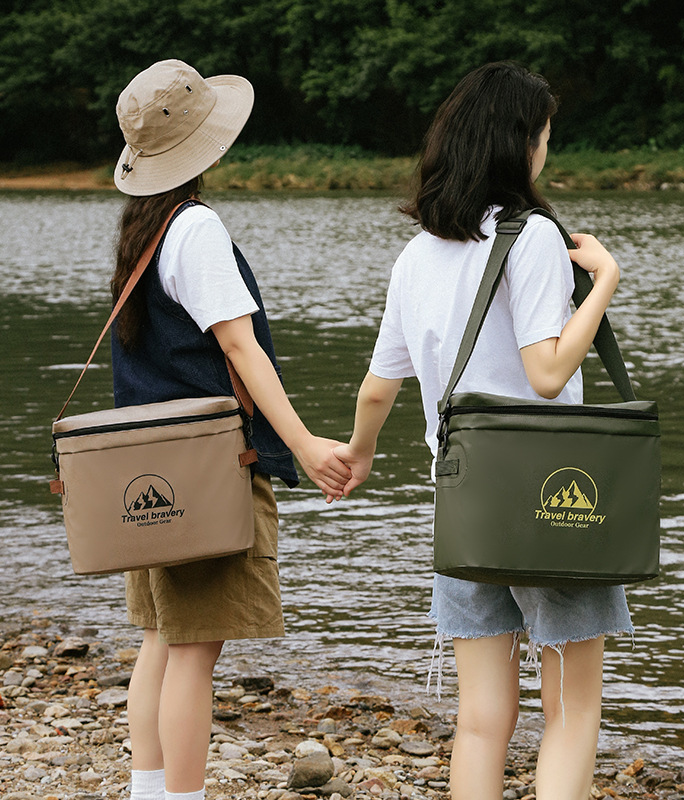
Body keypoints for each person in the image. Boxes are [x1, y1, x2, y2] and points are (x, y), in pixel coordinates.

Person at [333, 62, 634, 800]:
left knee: (480, 719)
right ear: (521, 142)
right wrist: (604, 282)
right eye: (545, 136)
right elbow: (547, 373)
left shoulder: (417, 254)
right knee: (571, 712)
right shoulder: (532, 237)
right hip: (548, 496)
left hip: (462, 498)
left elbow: (378, 388)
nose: (546, 150)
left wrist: (358, 457)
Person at [110, 59, 351, 800]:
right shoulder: (197, 227)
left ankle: (151, 791)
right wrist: (304, 444)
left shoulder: (143, 229)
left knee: (161, 640)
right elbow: (241, 349)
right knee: (192, 653)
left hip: (150, 469)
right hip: (206, 470)